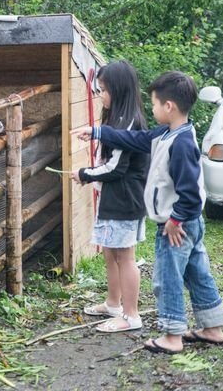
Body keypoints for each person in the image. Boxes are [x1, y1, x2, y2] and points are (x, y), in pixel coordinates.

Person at [71, 71, 223, 354]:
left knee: (167, 277)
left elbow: (190, 190)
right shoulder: (168, 133)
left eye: (155, 104)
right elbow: (136, 140)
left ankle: (172, 335)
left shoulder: (180, 143)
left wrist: (176, 218)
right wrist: (98, 132)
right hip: (187, 223)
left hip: (176, 225)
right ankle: (212, 328)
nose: (152, 109)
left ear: (169, 106)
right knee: (197, 273)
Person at [70, 60, 150, 333]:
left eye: (103, 90)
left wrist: (86, 173)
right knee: (110, 253)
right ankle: (113, 303)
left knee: (125, 256)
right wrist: (89, 174)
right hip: (113, 197)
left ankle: (131, 316)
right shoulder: (117, 119)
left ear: (118, 89)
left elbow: (116, 167)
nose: (100, 95)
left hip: (124, 199)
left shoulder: (130, 124)